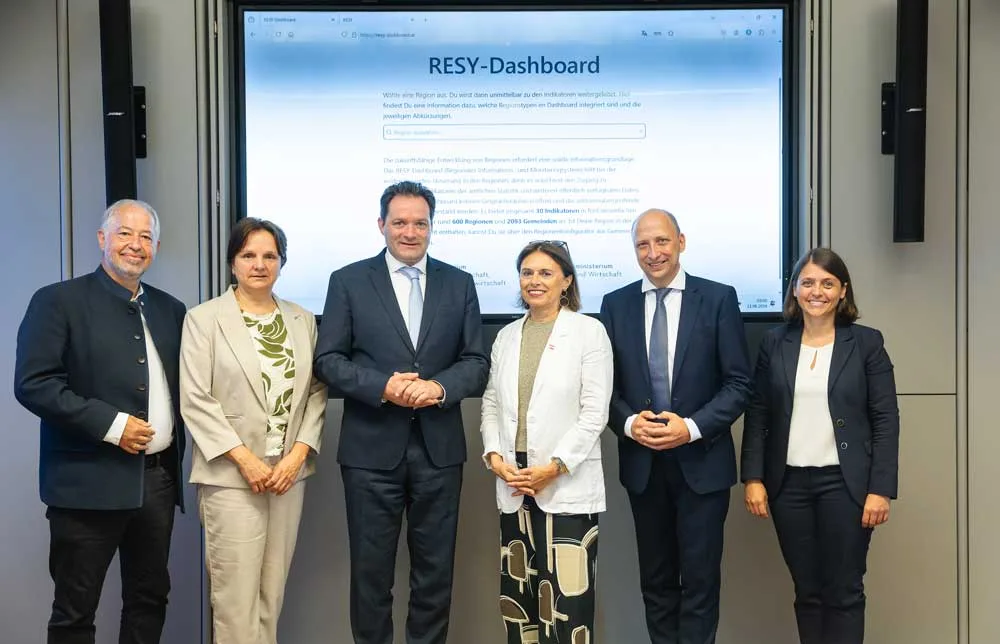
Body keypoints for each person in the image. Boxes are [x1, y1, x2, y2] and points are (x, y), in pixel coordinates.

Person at [313, 180, 489, 644]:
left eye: (420, 223)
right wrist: (383, 387)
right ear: (381, 225)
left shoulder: (459, 282)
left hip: (439, 452)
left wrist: (437, 387)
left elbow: (476, 362)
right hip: (371, 453)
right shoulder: (347, 281)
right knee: (371, 578)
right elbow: (328, 361)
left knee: (435, 577)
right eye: (399, 222)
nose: (409, 232)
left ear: (431, 226)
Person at [14, 199, 187, 644]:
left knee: (149, 601)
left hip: (157, 484)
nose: (136, 245)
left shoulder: (171, 310)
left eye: (146, 237)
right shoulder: (57, 301)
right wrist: (112, 425)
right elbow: (34, 383)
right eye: (125, 233)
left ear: (157, 246)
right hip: (85, 484)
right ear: (101, 239)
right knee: (75, 611)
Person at [599, 208, 752, 644]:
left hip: (702, 464)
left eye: (662, 241)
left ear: (681, 242)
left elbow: (739, 383)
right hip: (644, 467)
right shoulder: (616, 304)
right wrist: (628, 423)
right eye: (643, 245)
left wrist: (692, 427)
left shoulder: (718, 298)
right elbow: (602, 388)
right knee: (657, 583)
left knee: (701, 584)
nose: (653, 253)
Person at [179, 218, 328, 643]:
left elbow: (316, 392)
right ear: (232, 263)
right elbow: (196, 399)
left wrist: (298, 455)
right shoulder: (204, 320)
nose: (259, 265)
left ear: (281, 263)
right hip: (231, 477)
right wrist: (245, 459)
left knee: (270, 596)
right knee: (234, 602)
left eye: (269, 256)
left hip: (287, 477)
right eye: (248, 255)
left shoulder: (302, 320)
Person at [741, 247, 899, 644]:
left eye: (827, 283)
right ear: (794, 290)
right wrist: (753, 478)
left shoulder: (866, 343)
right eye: (808, 282)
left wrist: (880, 488)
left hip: (846, 488)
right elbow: (758, 412)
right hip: (788, 487)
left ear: (843, 291)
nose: (817, 291)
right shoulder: (774, 343)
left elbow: (885, 419)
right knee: (807, 592)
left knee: (844, 591)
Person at [480, 241, 613, 644]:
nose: (534, 281)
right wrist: (494, 457)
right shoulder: (506, 336)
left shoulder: (588, 332)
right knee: (519, 603)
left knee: (567, 608)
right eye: (527, 272)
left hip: (563, 482)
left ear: (566, 280)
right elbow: (490, 403)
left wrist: (553, 467)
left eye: (546, 273)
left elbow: (595, 413)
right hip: (514, 482)